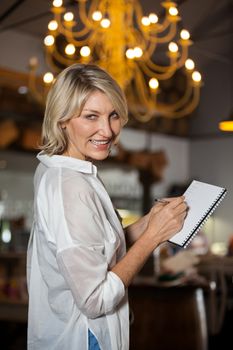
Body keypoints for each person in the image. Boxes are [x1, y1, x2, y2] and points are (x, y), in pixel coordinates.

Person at [27, 63, 187, 350]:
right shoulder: (69, 186)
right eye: (91, 116)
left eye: (113, 115)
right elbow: (94, 299)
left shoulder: (65, 171)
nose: (108, 130)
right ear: (62, 119)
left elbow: (95, 249)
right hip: (85, 338)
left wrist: (149, 222)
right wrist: (151, 238)